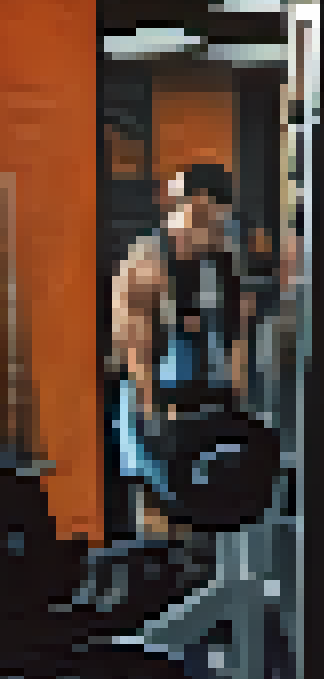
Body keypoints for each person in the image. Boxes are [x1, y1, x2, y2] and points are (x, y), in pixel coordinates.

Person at [108, 163, 255, 540]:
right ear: (180, 205)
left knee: (211, 534)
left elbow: (237, 339)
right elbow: (136, 358)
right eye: (201, 215)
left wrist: (234, 414)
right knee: (163, 535)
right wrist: (159, 428)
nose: (209, 228)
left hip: (208, 415)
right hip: (156, 417)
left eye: (217, 219)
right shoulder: (145, 264)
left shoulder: (224, 265)